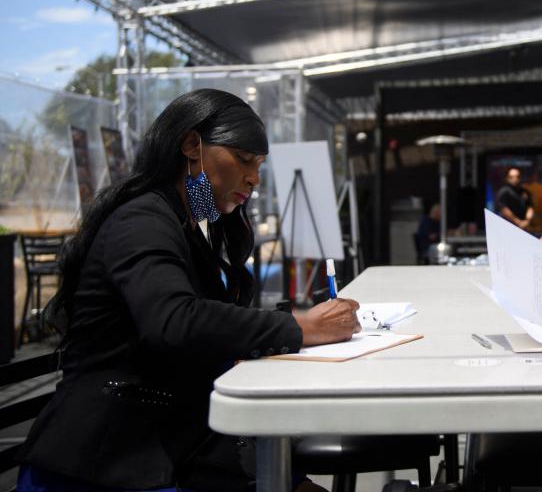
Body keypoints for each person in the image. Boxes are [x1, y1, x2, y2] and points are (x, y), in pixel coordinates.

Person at [19, 89, 361, 492]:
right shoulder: (142, 219)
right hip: (108, 462)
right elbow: (174, 321)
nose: (253, 178)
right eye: (244, 159)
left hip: (176, 443)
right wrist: (300, 326)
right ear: (191, 145)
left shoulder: (194, 222)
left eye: (260, 166)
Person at [495, 167, 534, 231]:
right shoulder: (504, 191)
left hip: (524, 227)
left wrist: (527, 221)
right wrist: (518, 222)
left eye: (517, 176)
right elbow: (503, 209)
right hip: (508, 227)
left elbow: (530, 207)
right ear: (507, 178)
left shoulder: (525, 191)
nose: (515, 179)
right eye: (511, 177)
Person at [523, 169, 542, 234]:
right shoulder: (541, 189)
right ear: (535, 176)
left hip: (523, 227)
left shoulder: (519, 188)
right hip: (539, 228)